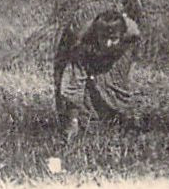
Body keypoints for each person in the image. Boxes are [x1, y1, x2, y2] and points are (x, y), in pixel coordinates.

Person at [53, 8, 141, 141]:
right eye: (104, 38)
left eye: (113, 39)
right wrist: (73, 121)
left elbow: (126, 71)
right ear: (97, 34)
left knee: (110, 81)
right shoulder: (81, 39)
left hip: (112, 41)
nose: (108, 43)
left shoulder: (131, 34)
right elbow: (75, 82)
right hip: (78, 41)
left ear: (122, 36)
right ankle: (77, 122)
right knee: (70, 89)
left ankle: (111, 117)